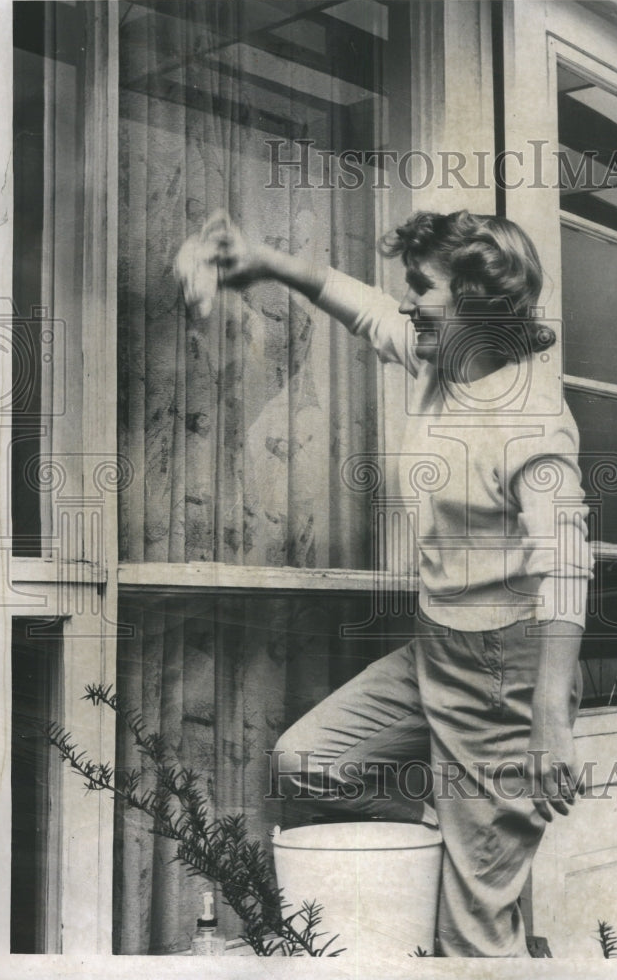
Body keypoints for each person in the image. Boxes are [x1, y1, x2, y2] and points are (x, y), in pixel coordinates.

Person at [195, 209, 593, 958]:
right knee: (308, 764)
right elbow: (364, 307)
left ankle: (482, 857)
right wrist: (268, 259)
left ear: (475, 297)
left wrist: (549, 719)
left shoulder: (533, 419)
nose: (407, 301)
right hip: (434, 648)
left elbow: (565, 565)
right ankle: (462, 824)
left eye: (422, 287)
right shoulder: (439, 364)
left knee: (472, 937)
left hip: (506, 675)